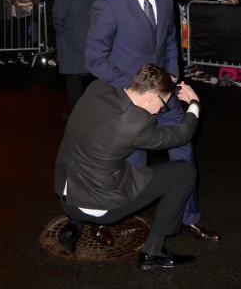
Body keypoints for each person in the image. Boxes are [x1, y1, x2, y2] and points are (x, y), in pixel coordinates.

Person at [85, 0, 221, 242]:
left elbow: (170, 39)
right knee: (132, 163)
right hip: (130, 100)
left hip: (166, 96)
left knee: (184, 151)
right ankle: (110, 217)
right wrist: (136, 88)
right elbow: (94, 59)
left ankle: (188, 217)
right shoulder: (108, 4)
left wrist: (171, 76)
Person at [55, 64, 201, 269]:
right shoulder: (137, 126)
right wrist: (194, 104)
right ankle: (154, 251)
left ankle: (75, 225)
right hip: (98, 207)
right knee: (184, 173)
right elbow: (181, 135)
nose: (161, 110)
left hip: (66, 194)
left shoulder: (97, 88)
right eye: (163, 104)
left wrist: (165, 81)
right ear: (151, 96)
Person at [53, 0, 107, 121]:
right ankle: (96, 111)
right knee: (94, 76)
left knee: (74, 77)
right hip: (94, 38)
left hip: (71, 38)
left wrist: (61, 32)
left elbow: (58, 14)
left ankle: (76, 114)